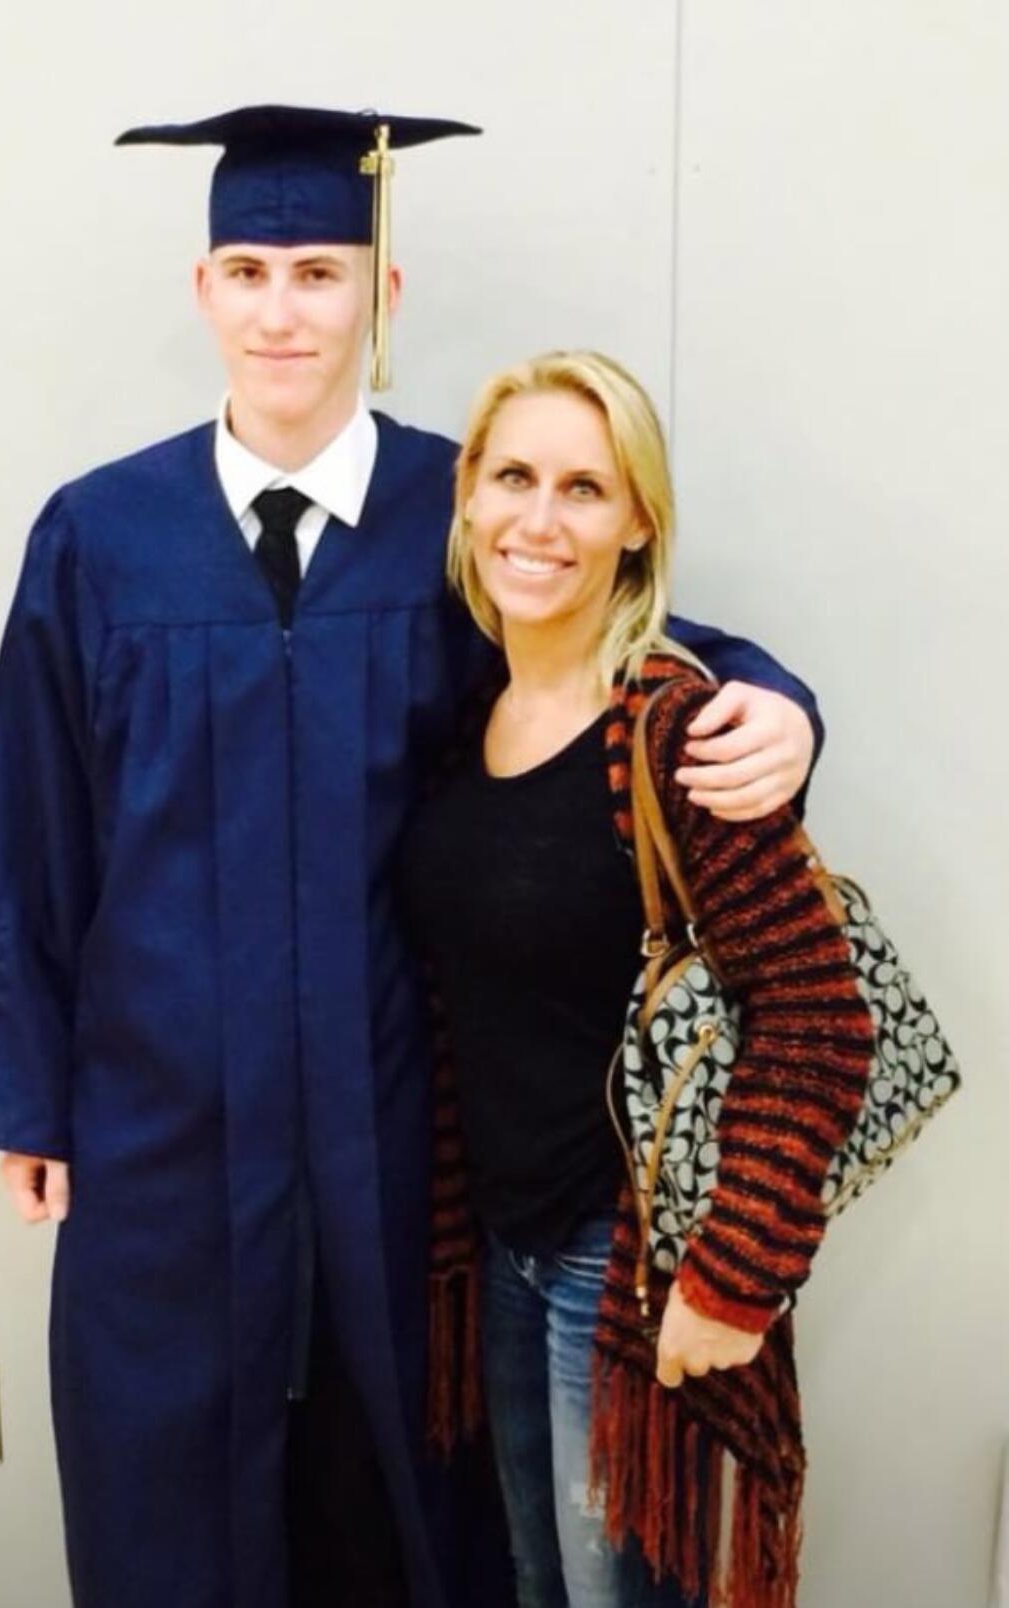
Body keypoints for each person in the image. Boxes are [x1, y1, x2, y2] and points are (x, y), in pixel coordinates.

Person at [0, 106, 827, 1608]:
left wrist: (777, 704)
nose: (285, 309)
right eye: (252, 270)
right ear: (204, 290)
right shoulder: (98, 533)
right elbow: (28, 822)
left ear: (381, 296)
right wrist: (26, 1093)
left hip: (396, 1117)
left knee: (409, 1486)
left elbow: (625, 640)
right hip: (160, 1110)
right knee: (167, 1486)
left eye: (322, 272)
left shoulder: (458, 517)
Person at [403, 350, 875, 1608]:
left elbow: (820, 1023)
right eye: (512, 477)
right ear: (466, 496)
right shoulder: (467, 720)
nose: (538, 521)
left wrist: (734, 1273)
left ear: (635, 522)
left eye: (582, 488)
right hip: (498, 1247)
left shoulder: (679, 733)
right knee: (530, 1580)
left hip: (626, 1268)